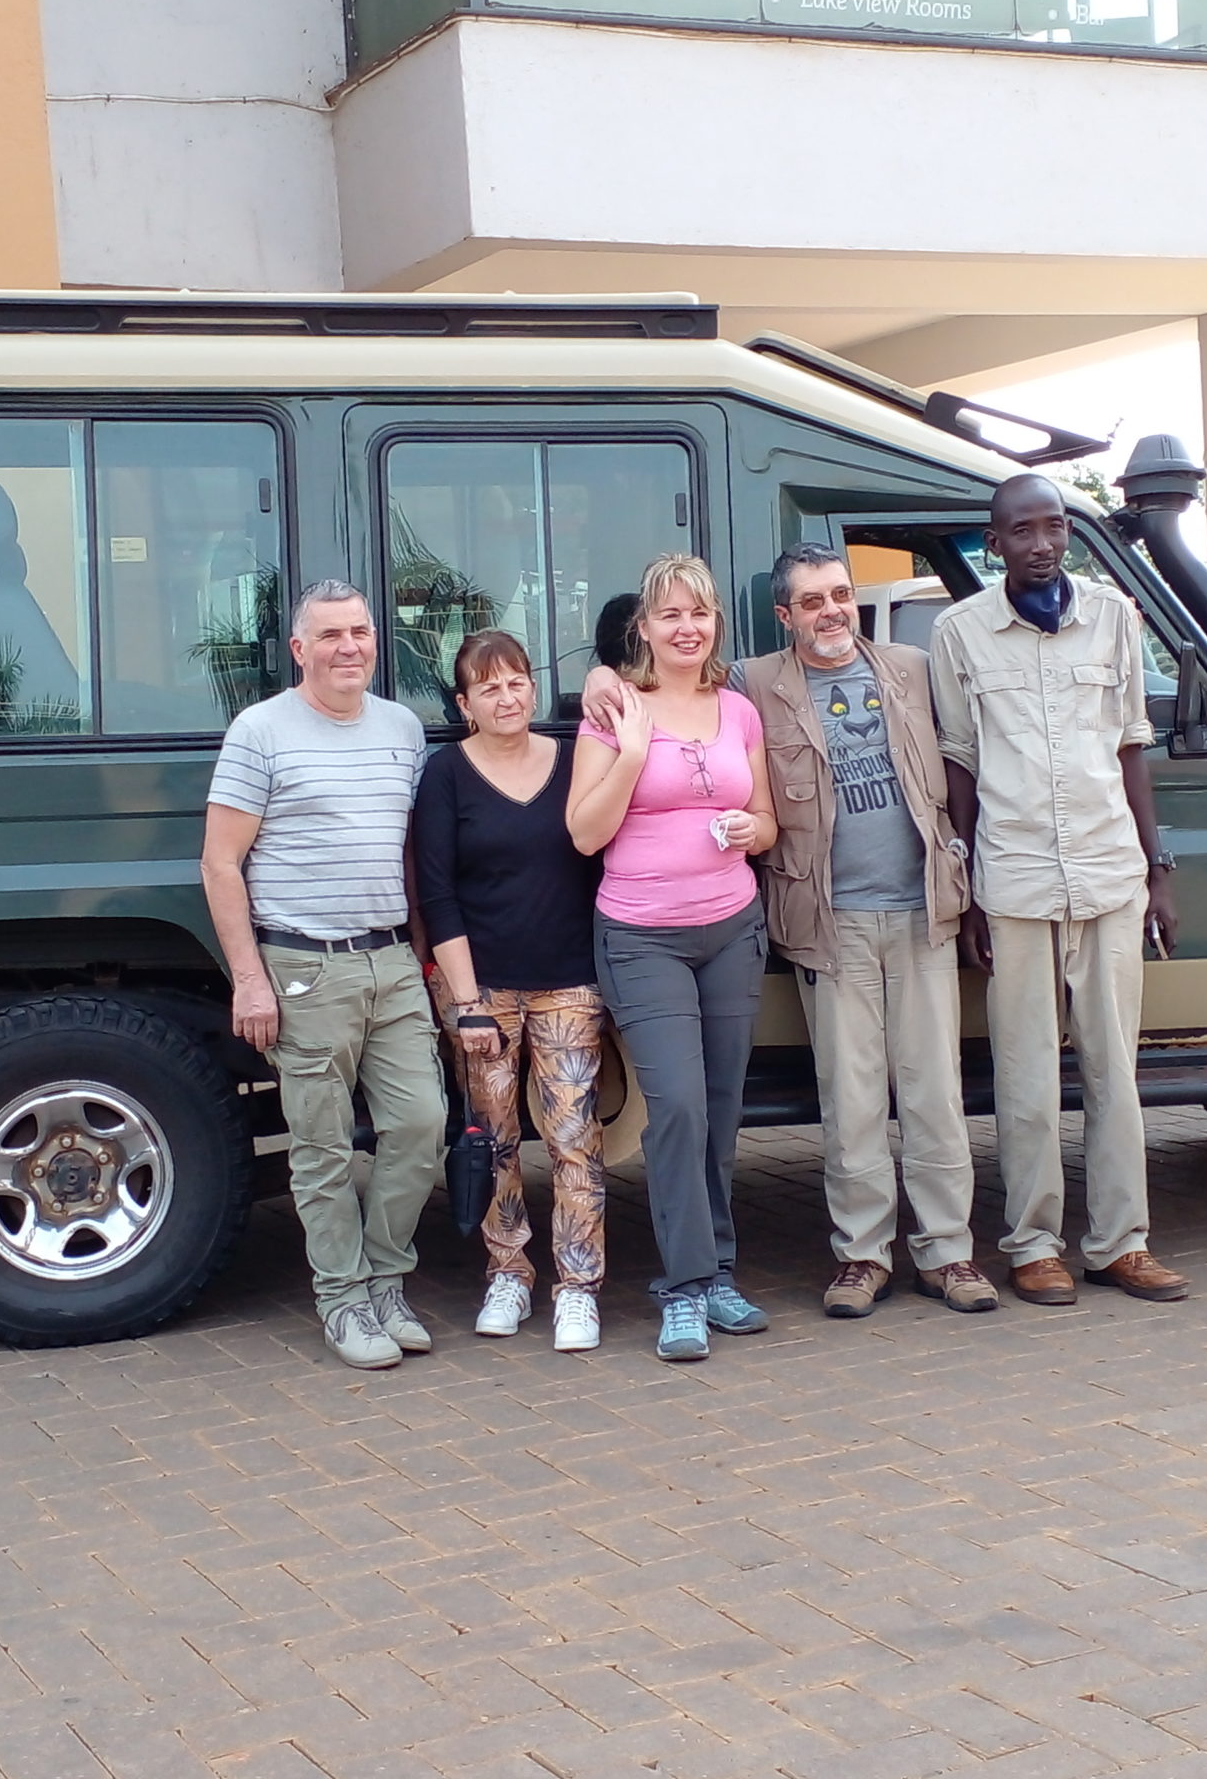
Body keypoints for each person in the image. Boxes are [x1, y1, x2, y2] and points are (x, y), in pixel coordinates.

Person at [929, 475, 1191, 1306]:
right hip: (1014, 881)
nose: (1041, 543)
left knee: (1115, 1072)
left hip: (1110, 875)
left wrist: (1157, 871)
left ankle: (1121, 1243)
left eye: (1054, 526)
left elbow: (1132, 747)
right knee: (1028, 1077)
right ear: (993, 542)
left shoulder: (1113, 616)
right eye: (1022, 530)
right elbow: (959, 763)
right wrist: (967, 889)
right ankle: (1034, 1245)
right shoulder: (959, 633)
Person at [736, 546, 1000, 1318]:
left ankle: (948, 1253)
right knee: (849, 1102)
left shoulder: (912, 667)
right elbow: (671, 687)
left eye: (841, 595)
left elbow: (968, 757)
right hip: (829, 921)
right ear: (785, 616)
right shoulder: (755, 683)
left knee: (933, 1094)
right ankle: (860, 1256)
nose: (831, 612)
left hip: (923, 910)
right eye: (812, 601)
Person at [202, 579, 447, 1369]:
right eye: (332, 635)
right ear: (300, 650)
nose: (350, 647)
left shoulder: (403, 729)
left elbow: (409, 853)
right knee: (323, 1147)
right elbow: (219, 862)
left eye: (362, 631)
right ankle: (343, 1300)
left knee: (419, 1127)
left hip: (390, 961)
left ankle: (383, 1279)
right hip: (302, 968)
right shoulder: (261, 731)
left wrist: (424, 951)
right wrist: (249, 979)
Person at [569, 553, 779, 1361]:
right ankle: (684, 1288)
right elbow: (585, 833)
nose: (686, 628)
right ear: (644, 629)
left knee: (721, 1110)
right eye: (670, 616)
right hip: (641, 933)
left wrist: (749, 831)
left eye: (700, 613)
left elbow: (764, 817)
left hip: (731, 927)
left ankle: (719, 1274)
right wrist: (630, 752)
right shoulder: (614, 706)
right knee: (679, 1107)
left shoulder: (739, 711)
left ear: (715, 622)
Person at [411, 629, 611, 1353]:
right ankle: (508, 1272)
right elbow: (437, 892)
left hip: (567, 984)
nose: (507, 696)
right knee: (494, 1141)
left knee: (572, 1140)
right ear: (465, 704)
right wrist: (465, 1003)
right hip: (480, 988)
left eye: (517, 680)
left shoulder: (571, 759)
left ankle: (579, 1287)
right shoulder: (447, 775)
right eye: (488, 686)